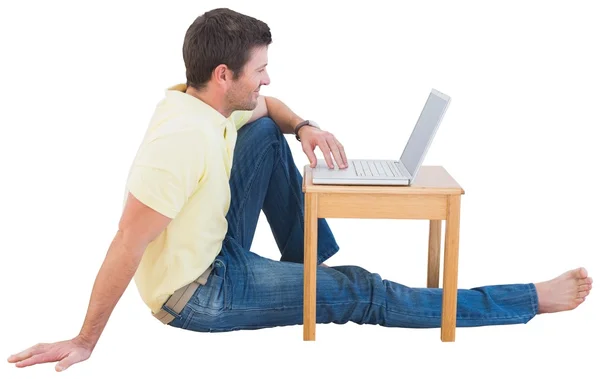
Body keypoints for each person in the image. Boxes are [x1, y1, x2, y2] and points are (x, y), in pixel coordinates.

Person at [8, 7, 592, 373]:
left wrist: (306, 127)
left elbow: (271, 109)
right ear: (223, 75)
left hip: (214, 245)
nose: (267, 78)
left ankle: (307, 269)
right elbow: (125, 245)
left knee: (266, 131)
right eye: (259, 69)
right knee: (362, 290)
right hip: (200, 292)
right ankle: (525, 300)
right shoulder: (178, 143)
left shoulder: (201, 100)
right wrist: (85, 341)